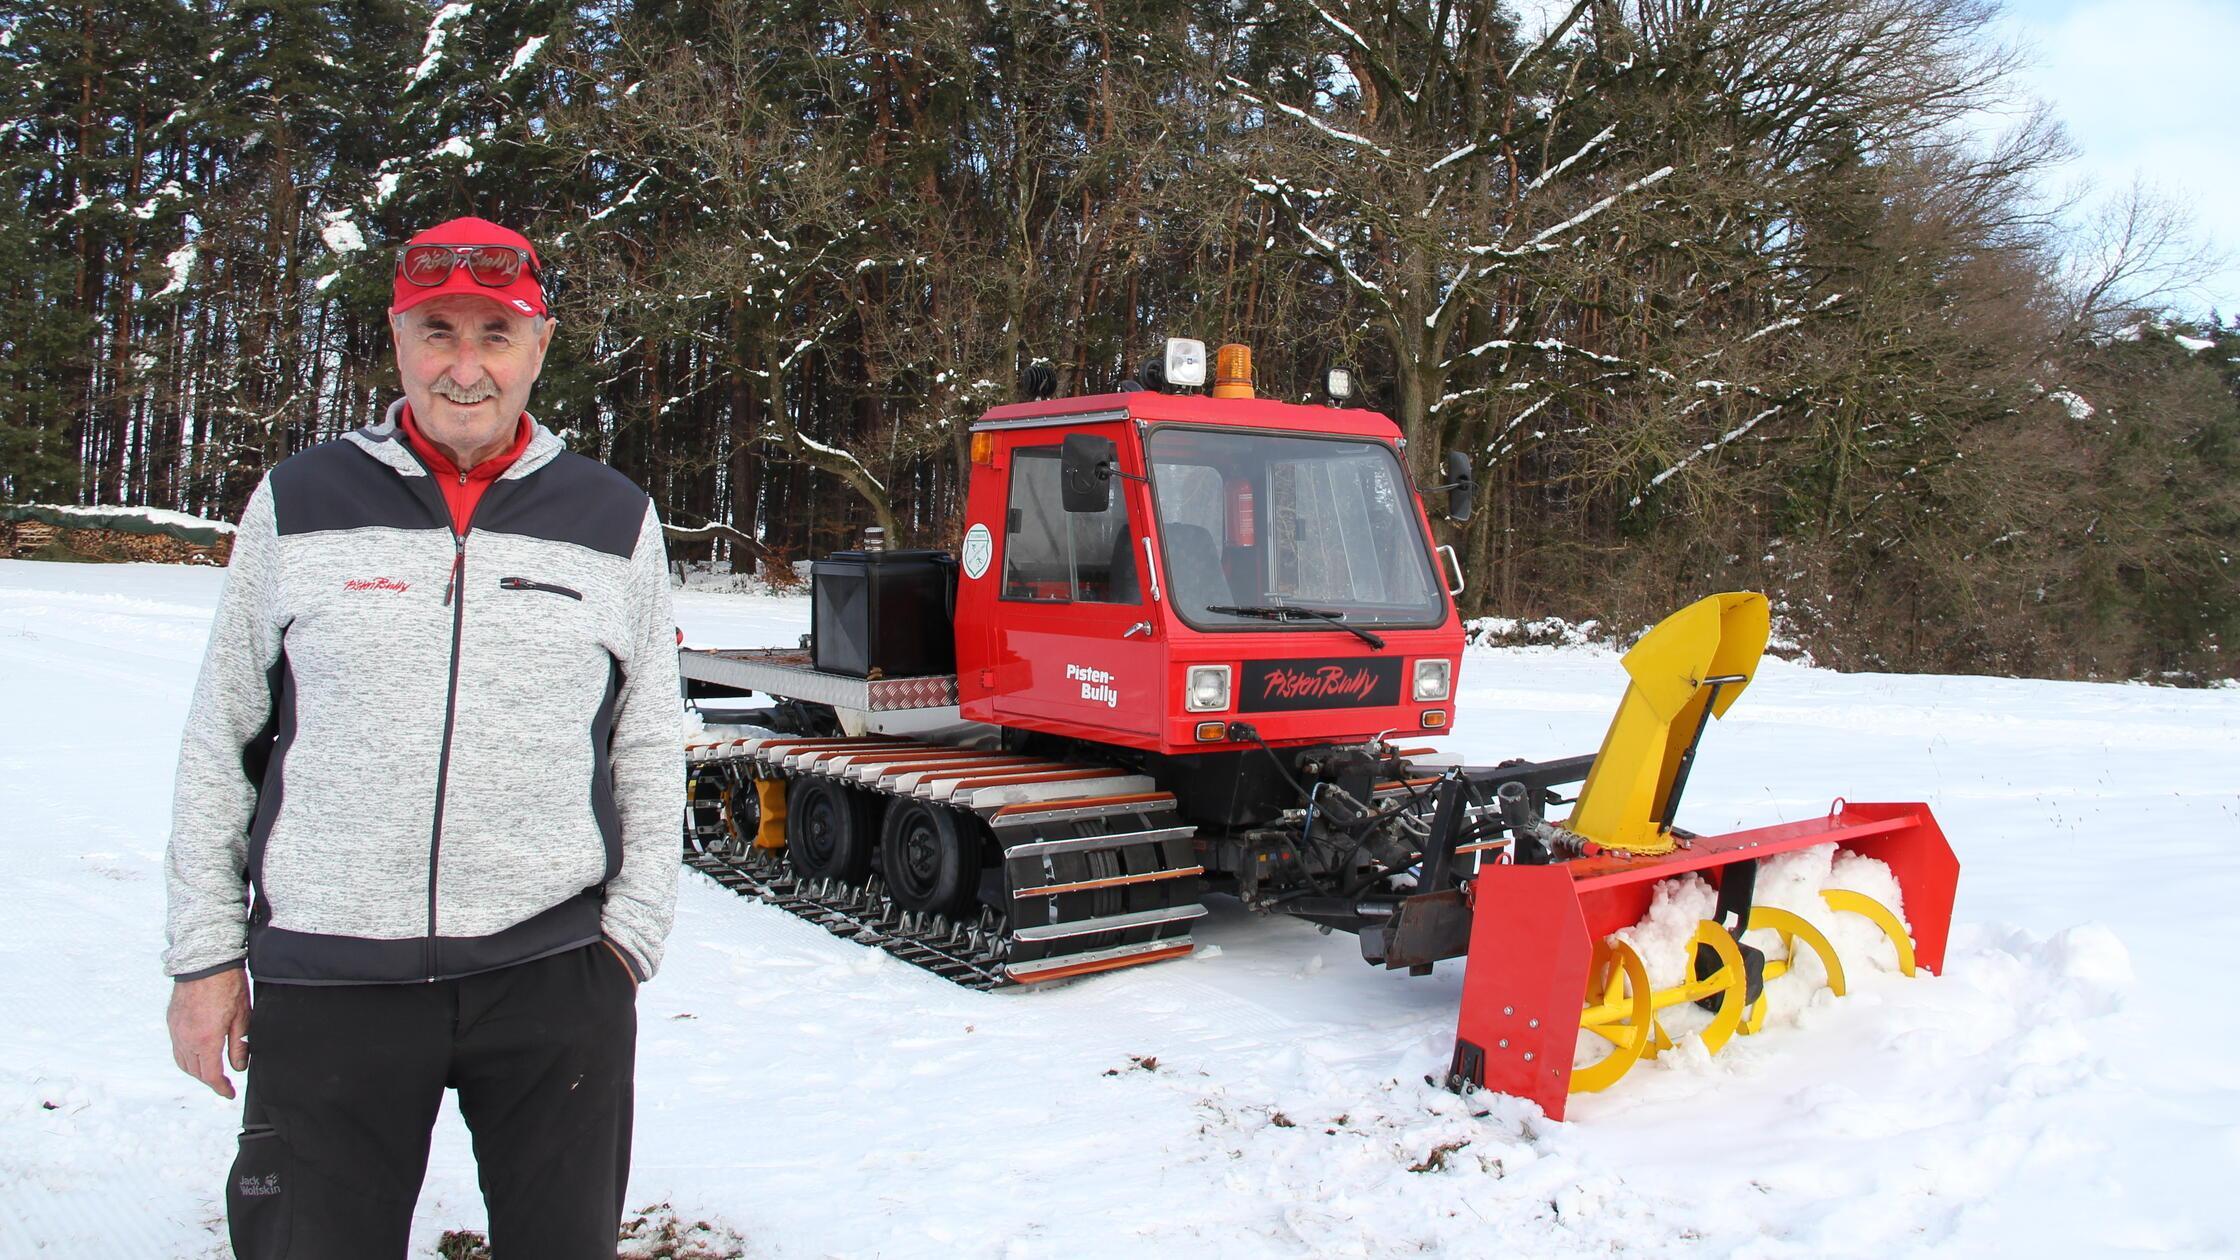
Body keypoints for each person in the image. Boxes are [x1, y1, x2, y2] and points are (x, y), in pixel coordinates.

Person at [161, 215, 683, 1258]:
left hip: (550, 977)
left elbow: (648, 740)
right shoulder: (299, 501)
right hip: (328, 982)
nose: (465, 366)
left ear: (538, 347)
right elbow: (223, 732)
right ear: (397, 340)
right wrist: (204, 956)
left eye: (496, 334)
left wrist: (628, 939)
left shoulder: (612, 517)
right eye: (437, 331)